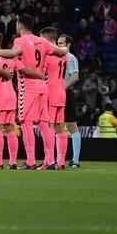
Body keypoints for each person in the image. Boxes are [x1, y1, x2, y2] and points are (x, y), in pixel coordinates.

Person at [0, 15, 65, 169]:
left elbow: (13, 54)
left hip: (28, 87)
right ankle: (50, 161)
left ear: (20, 25)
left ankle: (30, 161)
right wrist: (66, 48)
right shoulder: (42, 41)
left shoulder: (20, 41)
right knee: (44, 124)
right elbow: (60, 52)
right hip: (43, 87)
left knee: (26, 123)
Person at [0, 31, 34, 169]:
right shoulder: (12, 58)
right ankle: (13, 162)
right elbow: (25, 70)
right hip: (11, 95)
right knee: (10, 128)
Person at [41, 27, 72, 169]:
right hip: (61, 92)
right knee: (60, 127)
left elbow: (42, 74)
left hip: (50, 92)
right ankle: (61, 161)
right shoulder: (63, 55)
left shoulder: (47, 55)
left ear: (46, 39)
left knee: (49, 127)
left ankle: (49, 161)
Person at [57, 34, 82, 168]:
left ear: (68, 45)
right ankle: (58, 159)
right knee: (57, 126)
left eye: (61, 43)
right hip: (56, 94)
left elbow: (75, 76)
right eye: (58, 43)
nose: (59, 45)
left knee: (71, 126)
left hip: (66, 94)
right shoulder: (56, 56)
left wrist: (62, 88)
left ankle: (75, 160)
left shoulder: (70, 57)